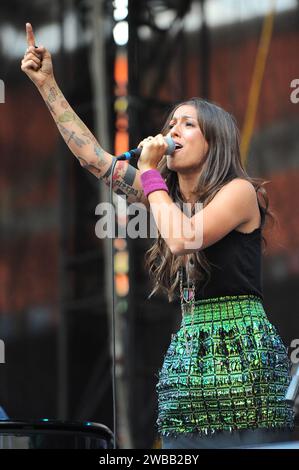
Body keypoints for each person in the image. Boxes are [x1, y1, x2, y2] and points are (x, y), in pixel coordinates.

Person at [21, 23, 294, 449]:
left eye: (188, 124)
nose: (173, 130)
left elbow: (186, 237)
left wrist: (149, 175)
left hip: (241, 368)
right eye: (172, 122)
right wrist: (47, 85)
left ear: (215, 141)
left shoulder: (241, 193)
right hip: (189, 371)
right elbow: (95, 160)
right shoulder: (162, 197)